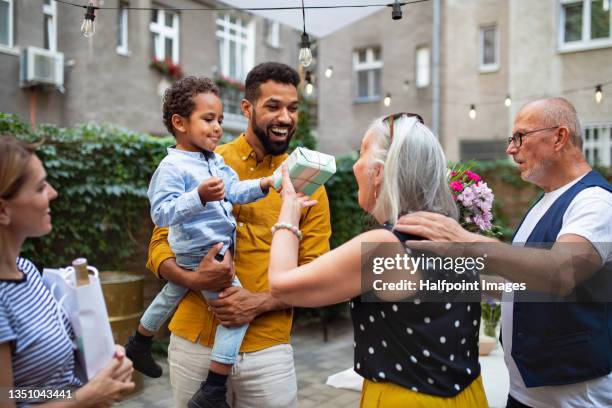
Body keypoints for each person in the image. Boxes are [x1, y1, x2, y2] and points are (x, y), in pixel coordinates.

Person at [395, 98, 612, 407]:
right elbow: (527, 284)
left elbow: (561, 272)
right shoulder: (546, 200)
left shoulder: (594, 202)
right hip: (525, 393)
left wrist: (465, 243)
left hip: (575, 397)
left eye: (520, 136)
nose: (511, 149)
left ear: (560, 137)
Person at [268, 113, 488, 407]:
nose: (356, 165)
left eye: (361, 153)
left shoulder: (386, 247)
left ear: (378, 173)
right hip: (469, 395)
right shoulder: (454, 236)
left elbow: (282, 285)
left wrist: (289, 212)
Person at [146, 62, 331, 408]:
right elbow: (159, 242)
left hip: (267, 347)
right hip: (194, 341)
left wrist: (258, 302)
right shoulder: (202, 159)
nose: (286, 118)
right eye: (273, 106)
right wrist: (192, 277)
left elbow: (317, 271)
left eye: (293, 108)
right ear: (247, 108)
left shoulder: (307, 181)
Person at [125, 77, 275, 408]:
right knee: (236, 313)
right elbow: (161, 214)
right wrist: (198, 196)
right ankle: (213, 389)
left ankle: (138, 343)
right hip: (202, 254)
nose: (218, 128)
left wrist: (265, 184)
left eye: (220, 120)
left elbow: (235, 191)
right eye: (209, 119)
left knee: (167, 298)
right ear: (179, 123)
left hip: (201, 252)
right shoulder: (171, 166)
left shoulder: (214, 161)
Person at [0, 135, 135, 407]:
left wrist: (106, 365)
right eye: (40, 188)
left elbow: (50, 379)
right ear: (3, 210)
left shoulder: (28, 272)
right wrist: (85, 397)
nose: (53, 193)